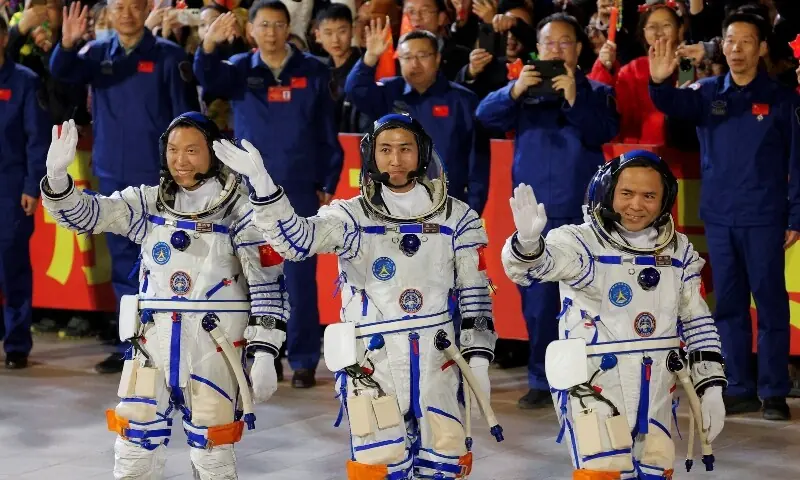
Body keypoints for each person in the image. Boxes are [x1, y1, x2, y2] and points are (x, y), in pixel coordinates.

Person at [213, 113, 497, 479]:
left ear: (423, 153)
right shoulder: (350, 217)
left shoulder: (459, 217)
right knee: (379, 466)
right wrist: (264, 186)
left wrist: (477, 360)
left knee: (443, 465)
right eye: (386, 150)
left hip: (436, 360)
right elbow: (295, 242)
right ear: (370, 156)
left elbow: (475, 295)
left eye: (405, 149)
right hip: (373, 364)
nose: (395, 160)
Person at [41, 113, 287, 479]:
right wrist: (59, 179)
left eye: (191, 150)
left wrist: (265, 352)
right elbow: (89, 215)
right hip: (152, 345)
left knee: (213, 451)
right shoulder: (149, 204)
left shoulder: (242, 212)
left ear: (214, 154)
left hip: (213, 348)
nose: (180, 161)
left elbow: (268, 286)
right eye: (173, 150)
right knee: (134, 446)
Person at [502, 150, 727, 480]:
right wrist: (528, 242)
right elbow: (534, 268)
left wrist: (711, 385)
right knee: (603, 471)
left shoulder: (678, 251)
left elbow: (696, 320)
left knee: (655, 470)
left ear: (665, 199)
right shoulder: (580, 242)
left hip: (656, 387)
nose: (637, 205)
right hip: (596, 385)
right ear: (607, 192)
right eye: (627, 193)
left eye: (649, 196)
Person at [649, 9, 800, 420]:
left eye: (746, 41)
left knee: (770, 305)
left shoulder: (783, 100)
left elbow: (798, 161)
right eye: (730, 40)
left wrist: (796, 216)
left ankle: (772, 391)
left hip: (765, 216)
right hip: (719, 216)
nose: (736, 49)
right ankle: (739, 386)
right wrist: (661, 79)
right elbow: (670, 103)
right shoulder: (707, 93)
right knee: (728, 305)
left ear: (762, 47)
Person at [194, 0, 344, 388]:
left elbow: (328, 131)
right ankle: (264, 355)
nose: (272, 32)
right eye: (264, 25)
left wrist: (327, 180)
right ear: (252, 30)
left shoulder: (313, 70)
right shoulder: (241, 69)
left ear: (288, 27)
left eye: (279, 25)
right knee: (252, 274)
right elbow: (207, 78)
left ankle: (305, 358)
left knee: (299, 276)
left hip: (297, 185)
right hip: (247, 191)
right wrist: (208, 44)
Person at [476, 12, 619, 409]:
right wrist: (514, 91)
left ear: (579, 48)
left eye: (565, 42)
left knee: (587, 300)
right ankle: (541, 378)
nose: (557, 50)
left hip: (583, 215)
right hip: (534, 216)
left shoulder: (595, 91)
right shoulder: (525, 90)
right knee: (538, 305)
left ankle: (588, 378)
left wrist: (574, 97)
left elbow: (605, 130)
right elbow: (485, 117)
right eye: (549, 43)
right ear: (538, 50)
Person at [49, 0, 198, 373]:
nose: (127, 13)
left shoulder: (168, 55)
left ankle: (175, 346)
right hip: (113, 176)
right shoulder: (97, 53)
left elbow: (187, 116)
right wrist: (66, 45)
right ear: (111, 12)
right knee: (123, 265)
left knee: (172, 262)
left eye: (135, 6)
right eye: (120, 7)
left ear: (146, 7)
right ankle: (131, 347)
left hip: (161, 181)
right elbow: (63, 73)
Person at [346, 26, 490, 215]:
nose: (415, 64)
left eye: (422, 56)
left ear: (437, 58)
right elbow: (354, 90)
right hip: (392, 205)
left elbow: (477, 162)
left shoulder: (463, 100)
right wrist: (371, 56)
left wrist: (472, 211)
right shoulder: (388, 92)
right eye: (407, 57)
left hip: (447, 205)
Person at [0, 14, 50, 369]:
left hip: (10, 189)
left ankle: (17, 343)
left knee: (13, 266)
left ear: (3, 38)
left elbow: (37, 140)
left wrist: (33, 186)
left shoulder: (24, 82)